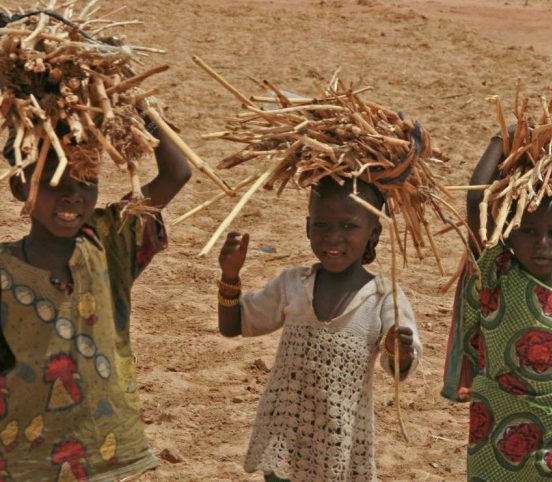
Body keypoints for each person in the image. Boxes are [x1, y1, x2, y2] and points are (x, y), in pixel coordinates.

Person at [0, 119, 191, 480]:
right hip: (25, 460)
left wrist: (140, 115)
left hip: (105, 450)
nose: (74, 195)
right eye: (57, 182)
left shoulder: (109, 241)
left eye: (88, 181)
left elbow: (177, 173)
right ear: (21, 183)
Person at [217, 177, 421, 482]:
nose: (333, 237)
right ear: (308, 226)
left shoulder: (383, 296)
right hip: (284, 437)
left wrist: (399, 348)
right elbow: (234, 326)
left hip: (340, 445)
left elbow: (398, 365)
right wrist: (230, 275)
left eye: (349, 226)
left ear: (373, 232)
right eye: (322, 225)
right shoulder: (292, 284)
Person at [443, 132, 552, 481]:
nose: (542, 245)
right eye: (529, 231)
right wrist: (500, 141)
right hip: (497, 420)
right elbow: (477, 198)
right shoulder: (498, 273)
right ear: (508, 233)